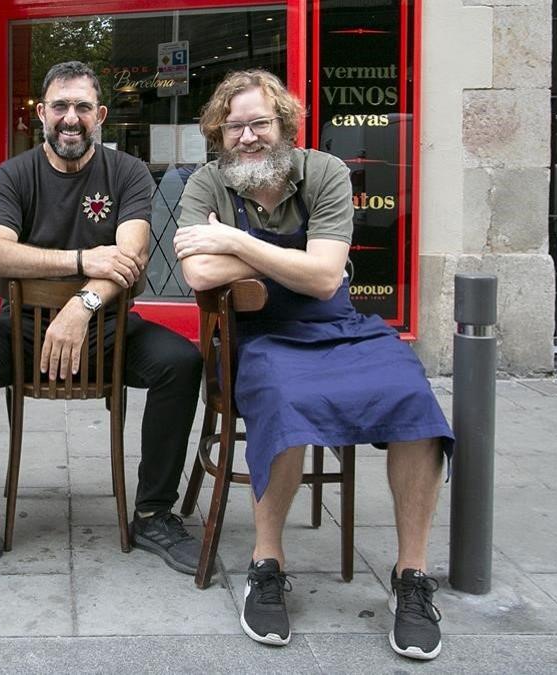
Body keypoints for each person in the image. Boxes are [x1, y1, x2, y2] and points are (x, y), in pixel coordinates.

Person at [174, 70, 454, 661]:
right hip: (258, 336)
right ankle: (266, 564)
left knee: (414, 399)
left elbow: (327, 278)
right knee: (286, 397)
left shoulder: (323, 172)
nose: (247, 137)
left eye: (259, 123)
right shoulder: (207, 182)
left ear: (285, 126)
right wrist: (295, 261)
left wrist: (237, 245)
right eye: (235, 127)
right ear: (219, 134)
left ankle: (411, 577)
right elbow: (198, 275)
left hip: (340, 326)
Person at [0, 61, 203, 592]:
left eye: (83, 108)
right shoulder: (14, 174)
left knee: (181, 363)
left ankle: (155, 512)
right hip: (21, 330)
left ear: (101, 116)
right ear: (41, 113)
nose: (72, 118)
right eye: (61, 107)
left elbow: (132, 255)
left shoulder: (128, 173)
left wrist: (81, 306)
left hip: (111, 329)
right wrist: (82, 260)